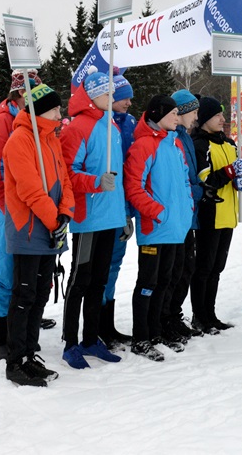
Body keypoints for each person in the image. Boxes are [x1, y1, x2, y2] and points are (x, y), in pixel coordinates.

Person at [2, 81, 74, 387]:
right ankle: (15, 359)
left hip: (51, 227)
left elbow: (65, 181)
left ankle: (31, 353)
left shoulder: (50, 139)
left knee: (41, 293)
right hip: (29, 230)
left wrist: (65, 213)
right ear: (42, 111)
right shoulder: (19, 140)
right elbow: (29, 189)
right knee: (25, 294)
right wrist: (53, 218)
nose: (61, 113)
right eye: (56, 108)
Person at [0, 70, 50, 361]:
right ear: (20, 95)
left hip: (29, 201)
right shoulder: (1, 123)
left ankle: (20, 320)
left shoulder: (34, 121)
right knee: (5, 260)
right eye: (33, 93)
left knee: (27, 262)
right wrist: (8, 208)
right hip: (5, 201)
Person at [59, 71, 124, 369]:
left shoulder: (111, 125)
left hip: (110, 215)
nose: (113, 98)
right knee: (80, 279)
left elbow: (119, 177)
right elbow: (69, 174)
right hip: (88, 216)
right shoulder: (78, 128)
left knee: (100, 279)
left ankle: (91, 337)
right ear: (93, 95)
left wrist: (122, 215)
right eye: (108, 94)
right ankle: (70, 342)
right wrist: (96, 181)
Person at [123, 95, 194, 361]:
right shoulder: (143, 146)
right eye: (173, 113)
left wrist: (186, 211)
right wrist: (160, 213)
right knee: (148, 283)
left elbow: (185, 182)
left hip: (176, 228)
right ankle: (140, 338)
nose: (178, 118)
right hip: (155, 228)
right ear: (159, 115)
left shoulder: (174, 143)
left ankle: (155, 333)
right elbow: (133, 187)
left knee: (166, 281)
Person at [190, 96, 242, 333]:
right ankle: (199, 316)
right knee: (204, 268)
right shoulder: (200, 144)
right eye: (217, 115)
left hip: (228, 215)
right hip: (209, 214)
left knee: (217, 268)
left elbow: (236, 174)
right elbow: (206, 181)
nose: (223, 120)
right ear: (204, 119)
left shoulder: (229, 143)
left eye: (222, 115)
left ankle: (210, 314)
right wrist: (231, 171)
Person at [160, 89, 204, 345]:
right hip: (178, 213)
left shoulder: (184, 136)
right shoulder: (173, 137)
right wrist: (198, 189)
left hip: (189, 212)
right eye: (194, 111)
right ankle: (165, 318)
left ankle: (173, 314)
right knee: (175, 269)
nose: (196, 117)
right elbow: (181, 178)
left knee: (186, 268)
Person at [99, 74, 137, 349]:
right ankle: (96, 326)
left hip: (122, 205)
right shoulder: (103, 126)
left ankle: (106, 324)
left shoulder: (129, 123)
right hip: (103, 207)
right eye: (124, 96)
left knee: (114, 264)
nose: (129, 101)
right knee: (100, 268)